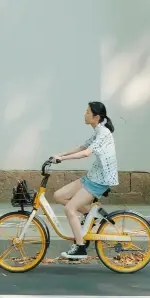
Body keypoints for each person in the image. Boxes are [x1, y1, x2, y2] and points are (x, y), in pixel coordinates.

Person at [52, 101, 118, 261]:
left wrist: (63, 160)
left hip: (100, 181)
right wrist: (60, 154)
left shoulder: (104, 133)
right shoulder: (97, 131)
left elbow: (86, 153)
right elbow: (82, 147)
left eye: (88, 112)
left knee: (69, 209)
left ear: (96, 116)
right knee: (58, 195)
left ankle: (80, 247)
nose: (85, 114)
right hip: (92, 176)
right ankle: (90, 215)